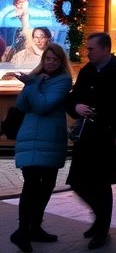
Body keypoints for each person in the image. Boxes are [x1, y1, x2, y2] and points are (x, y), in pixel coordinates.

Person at [66, 32, 116, 250]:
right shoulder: (87, 70)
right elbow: (74, 97)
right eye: (87, 48)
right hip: (87, 133)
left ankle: (102, 229)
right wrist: (75, 107)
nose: (88, 52)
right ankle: (99, 215)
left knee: (102, 183)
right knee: (78, 181)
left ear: (106, 49)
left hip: (107, 135)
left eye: (92, 49)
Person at [7, 42, 71, 252]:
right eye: (47, 59)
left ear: (61, 62)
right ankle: (22, 231)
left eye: (55, 59)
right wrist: (31, 84)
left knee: (47, 184)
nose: (50, 62)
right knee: (32, 184)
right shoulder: (36, 79)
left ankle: (34, 228)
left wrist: (32, 84)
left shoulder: (63, 80)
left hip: (50, 138)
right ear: (43, 60)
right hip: (31, 137)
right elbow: (23, 105)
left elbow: (43, 106)